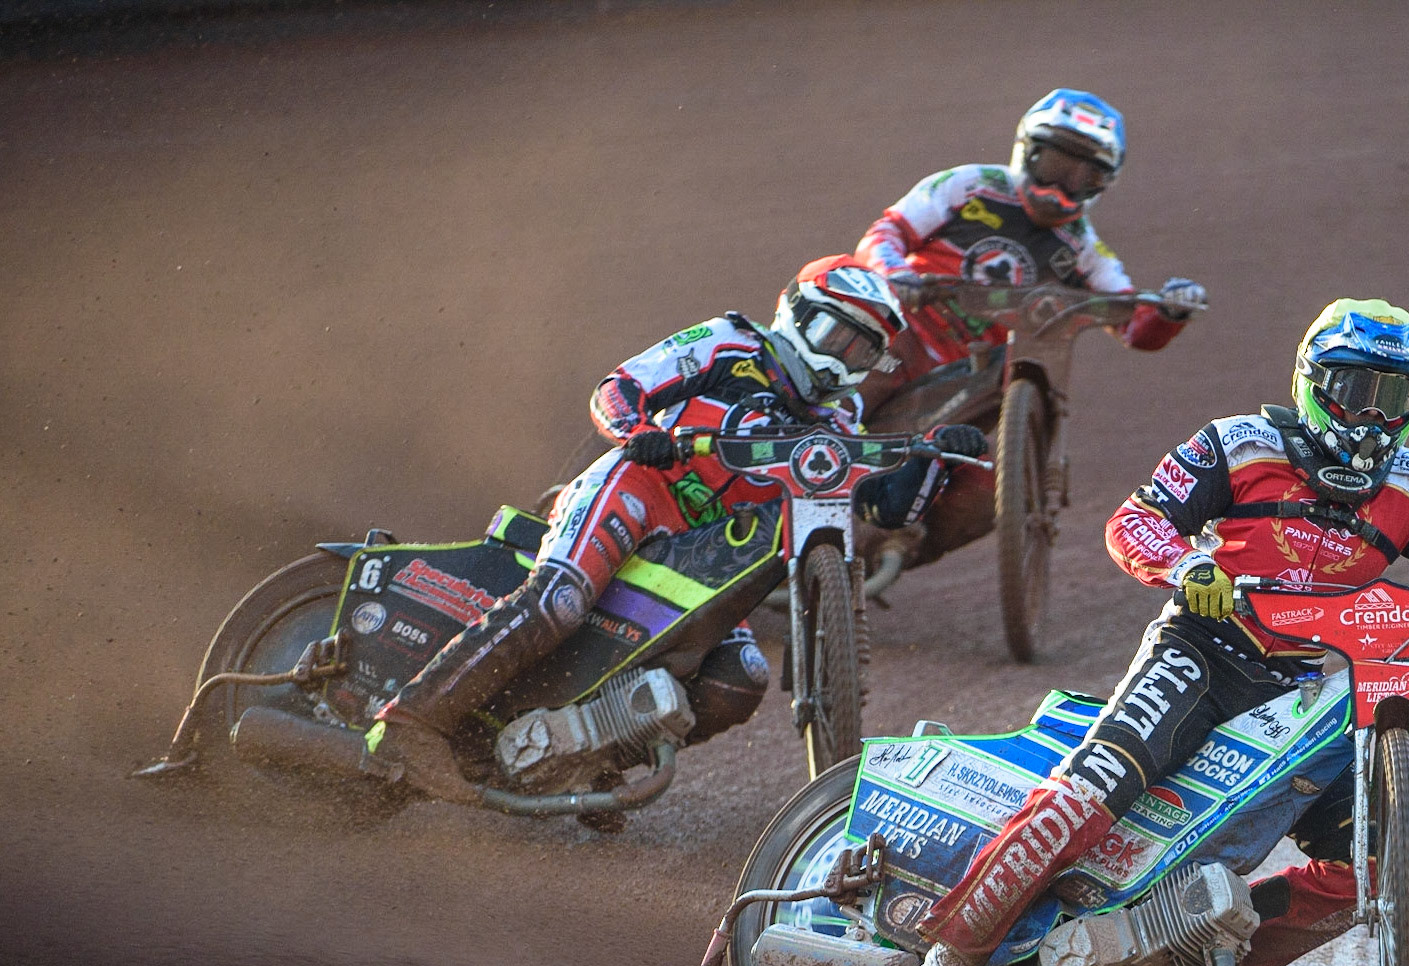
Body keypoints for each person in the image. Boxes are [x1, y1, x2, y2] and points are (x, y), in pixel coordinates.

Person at [900, 298, 1409, 966]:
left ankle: (1198, 955)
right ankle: (951, 950)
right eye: (1355, 390)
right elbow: (1134, 519)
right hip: (1200, 651)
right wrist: (1185, 563)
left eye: (1394, 398)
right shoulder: (1237, 443)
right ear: (1311, 382)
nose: (1372, 417)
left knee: (1382, 870)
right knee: (1089, 792)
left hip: (1298, 688)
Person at [360, 255, 989, 804]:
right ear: (795, 313)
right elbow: (620, 386)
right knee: (560, 599)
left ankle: (589, 763)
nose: (843, 361)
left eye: (862, 351)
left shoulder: (841, 415)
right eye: (836, 336)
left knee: (737, 679)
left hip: (707, 548)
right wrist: (640, 433)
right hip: (640, 493)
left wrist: (930, 458)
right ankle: (411, 721)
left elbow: (879, 508)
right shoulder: (729, 343)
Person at [853, 88, 1208, 561]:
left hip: (974, 377)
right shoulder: (967, 185)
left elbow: (1129, 324)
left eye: (1082, 178)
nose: (1063, 188)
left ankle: (891, 551)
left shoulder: (1084, 248)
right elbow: (886, 233)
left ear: (1101, 187)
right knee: (850, 399)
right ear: (1027, 151)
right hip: (903, 337)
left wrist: (1168, 312)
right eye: (1055, 169)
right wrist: (895, 276)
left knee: (995, 492)